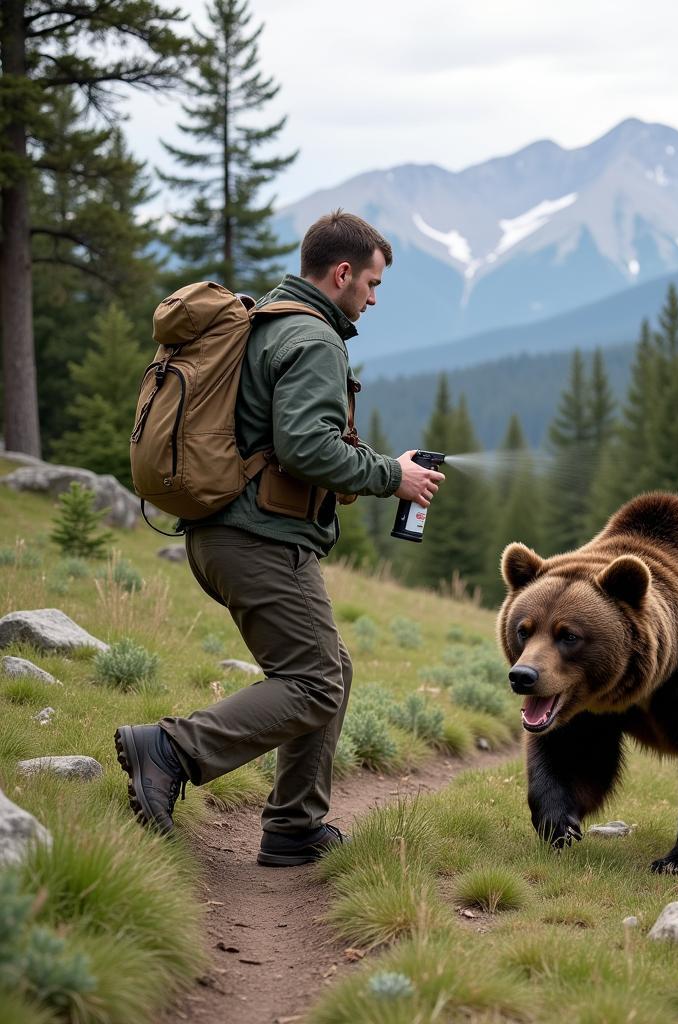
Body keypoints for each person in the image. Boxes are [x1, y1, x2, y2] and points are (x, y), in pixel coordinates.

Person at [114, 211, 445, 866]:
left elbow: (281, 438)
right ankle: (172, 749)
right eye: (373, 284)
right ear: (343, 273)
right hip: (259, 539)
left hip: (220, 535)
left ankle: (294, 827)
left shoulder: (266, 323)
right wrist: (392, 477)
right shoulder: (315, 339)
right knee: (317, 681)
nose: (374, 299)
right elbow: (304, 447)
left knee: (330, 670)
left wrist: (383, 466)